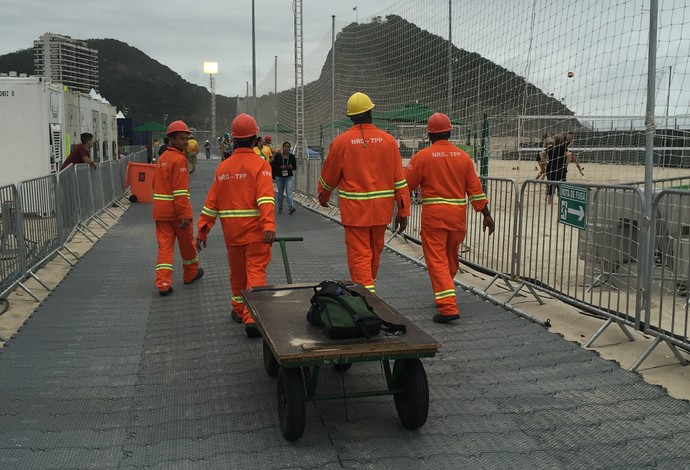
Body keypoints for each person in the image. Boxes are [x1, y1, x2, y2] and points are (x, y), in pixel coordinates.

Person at [405, 113, 495, 323]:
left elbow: (406, 184)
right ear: (450, 132)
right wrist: (486, 215)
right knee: (450, 260)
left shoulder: (422, 157)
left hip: (434, 218)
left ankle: (447, 306)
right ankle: (446, 290)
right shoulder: (463, 157)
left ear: (429, 134)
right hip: (457, 219)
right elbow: (475, 189)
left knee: (437, 261)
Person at [318, 92, 410, 294]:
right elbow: (400, 180)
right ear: (371, 112)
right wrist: (403, 211)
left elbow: (328, 178)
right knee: (374, 255)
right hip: (381, 214)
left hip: (355, 214)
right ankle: (369, 291)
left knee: (360, 257)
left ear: (351, 117)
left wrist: (323, 198)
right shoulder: (389, 142)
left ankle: (366, 299)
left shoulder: (341, 142)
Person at [196, 114, 275, 339]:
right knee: (256, 273)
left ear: (234, 139)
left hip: (232, 234)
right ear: (255, 138)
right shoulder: (261, 166)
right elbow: (265, 200)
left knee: (237, 275)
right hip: (256, 233)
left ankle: (239, 310)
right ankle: (253, 317)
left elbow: (211, 204)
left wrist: (202, 230)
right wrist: (268, 225)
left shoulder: (223, 168)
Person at [152, 120, 204, 296]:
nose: (185, 142)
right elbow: (180, 191)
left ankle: (163, 283)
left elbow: (155, 185)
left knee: (165, 248)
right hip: (177, 213)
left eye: (186, 138)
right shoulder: (179, 160)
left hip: (161, 213)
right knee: (187, 246)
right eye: (181, 138)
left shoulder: (162, 158)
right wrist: (184, 215)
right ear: (172, 140)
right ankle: (190, 275)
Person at [545, 133, 572, 204]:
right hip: (560, 169)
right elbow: (569, 154)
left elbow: (541, 153)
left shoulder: (550, 147)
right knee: (561, 188)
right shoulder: (562, 147)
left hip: (550, 169)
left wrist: (545, 162)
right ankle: (561, 204)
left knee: (550, 189)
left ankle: (549, 204)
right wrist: (566, 164)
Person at [272, 141, 297, 214]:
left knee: (289, 191)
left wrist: (291, 167)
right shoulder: (278, 156)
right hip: (279, 176)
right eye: (285, 146)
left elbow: (295, 167)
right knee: (280, 192)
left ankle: (290, 207)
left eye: (288, 147)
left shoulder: (291, 156)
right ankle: (280, 206)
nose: (286, 148)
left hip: (288, 176)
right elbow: (273, 165)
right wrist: (280, 167)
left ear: (289, 148)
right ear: (282, 147)